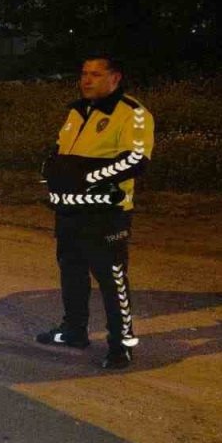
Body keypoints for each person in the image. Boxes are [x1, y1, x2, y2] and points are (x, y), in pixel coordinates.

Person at [36, 54, 153, 370]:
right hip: (70, 211)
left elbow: (136, 160)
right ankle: (74, 331)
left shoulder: (132, 114)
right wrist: (52, 167)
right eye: (84, 73)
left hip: (106, 214)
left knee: (112, 279)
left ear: (115, 78)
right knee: (71, 273)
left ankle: (121, 344)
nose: (87, 80)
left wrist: (86, 177)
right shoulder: (76, 112)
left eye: (96, 74)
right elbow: (62, 151)